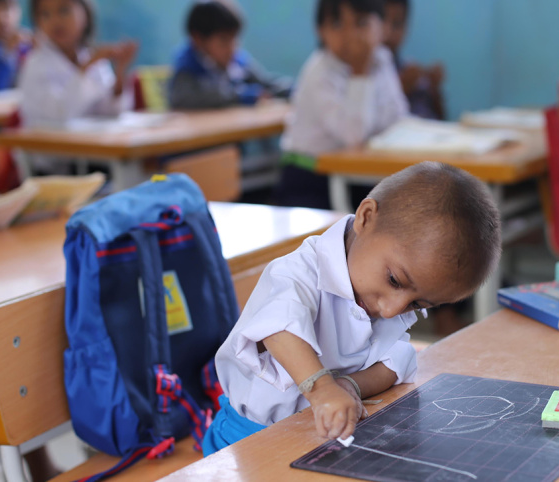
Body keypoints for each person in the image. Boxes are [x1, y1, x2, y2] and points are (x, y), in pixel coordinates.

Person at [202, 161, 502, 454]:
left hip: (315, 437)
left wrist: (348, 386)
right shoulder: (299, 272)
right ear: (366, 218)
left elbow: (396, 359)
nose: (391, 309)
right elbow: (278, 330)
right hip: (248, 440)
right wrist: (321, 389)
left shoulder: (381, 292)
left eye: (419, 303)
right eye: (394, 280)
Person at [279, 0, 407, 209]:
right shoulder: (320, 72)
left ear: (383, 28)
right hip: (310, 179)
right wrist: (360, 72)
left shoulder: (382, 59)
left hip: (357, 175)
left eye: (361, 23)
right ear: (320, 31)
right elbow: (353, 136)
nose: (350, 34)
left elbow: (397, 118)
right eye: (337, 24)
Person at [19, 0, 137, 128]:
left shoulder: (93, 59)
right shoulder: (35, 65)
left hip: (90, 142)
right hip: (48, 146)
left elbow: (111, 112)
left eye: (64, 10)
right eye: (45, 14)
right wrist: (86, 67)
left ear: (85, 13)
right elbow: (59, 115)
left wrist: (120, 71)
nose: (55, 20)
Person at [169, 0, 291, 110]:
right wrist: (241, 96)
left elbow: (265, 83)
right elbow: (182, 99)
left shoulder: (238, 62)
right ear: (198, 39)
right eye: (224, 41)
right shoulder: (187, 67)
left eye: (234, 40)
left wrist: (292, 90)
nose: (231, 48)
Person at [382, 0, 445, 120]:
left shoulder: (409, 66)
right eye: (383, 21)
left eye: (397, 24)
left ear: (406, 27)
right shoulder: (364, 71)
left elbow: (441, 118)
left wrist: (435, 89)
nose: (388, 32)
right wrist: (401, 87)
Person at [0, 0, 30, 90]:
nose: (1, 16)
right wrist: (6, 52)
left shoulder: (28, 43)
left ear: (19, 11)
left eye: (7, 7)